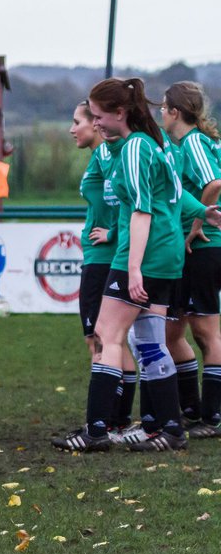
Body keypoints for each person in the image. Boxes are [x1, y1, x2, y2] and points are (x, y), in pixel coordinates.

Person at [52, 77, 221, 453]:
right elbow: (174, 195)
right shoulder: (155, 143)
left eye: (98, 116)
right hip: (167, 255)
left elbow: (143, 211)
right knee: (149, 341)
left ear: (120, 113)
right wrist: (205, 212)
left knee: (106, 335)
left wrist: (131, 270)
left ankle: (97, 430)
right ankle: (171, 429)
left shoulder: (133, 148)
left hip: (144, 255)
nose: (95, 123)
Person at [70, 101, 139, 438]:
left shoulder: (118, 155)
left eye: (79, 121)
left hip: (105, 257)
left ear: (97, 125)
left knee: (101, 339)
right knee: (108, 339)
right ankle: (114, 418)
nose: (73, 129)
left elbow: (129, 201)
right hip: (97, 255)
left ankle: (110, 420)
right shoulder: (102, 157)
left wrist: (113, 231)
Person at [160, 81, 221, 437]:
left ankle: (211, 417)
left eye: (163, 106)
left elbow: (214, 182)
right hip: (191, 248)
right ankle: (191, 409)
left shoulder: (194, 141)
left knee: (205, 331)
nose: (159, 112)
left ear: (175, 112)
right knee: (173, 332)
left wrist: (197, 221)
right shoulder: (182, 143)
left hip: (206, 245)